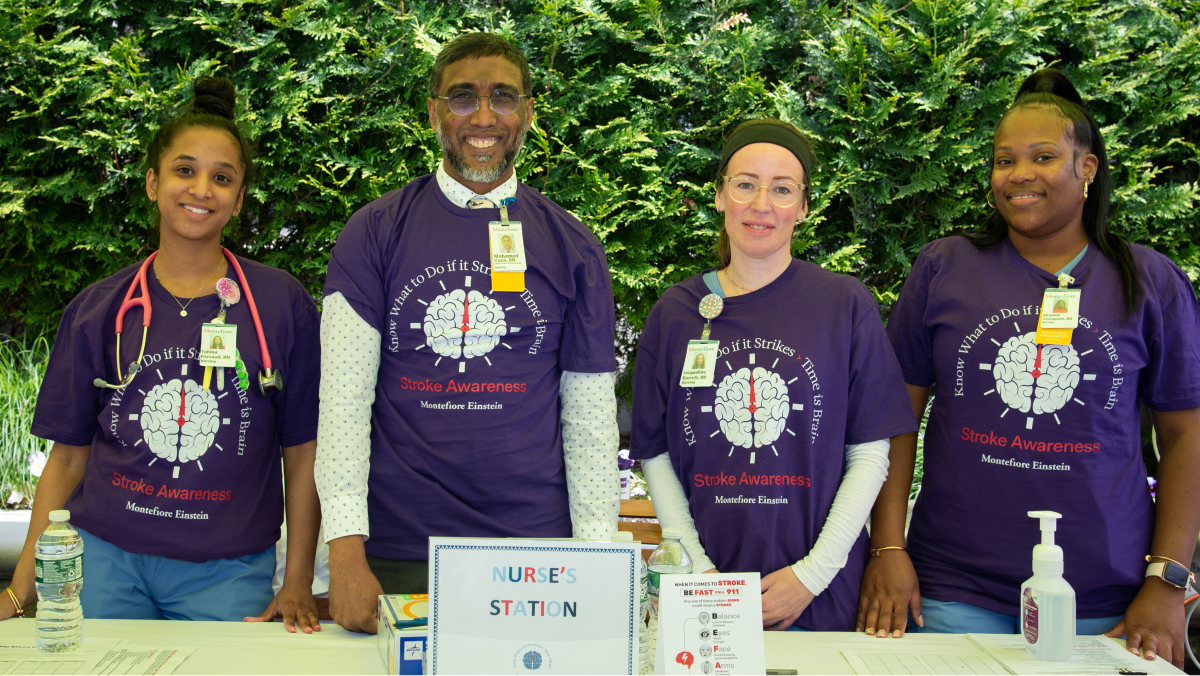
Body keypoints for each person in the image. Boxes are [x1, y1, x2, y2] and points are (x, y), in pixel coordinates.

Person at [859, 69, 1200, 669]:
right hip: (951, 590)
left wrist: (1167, 583)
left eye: (1043, 157)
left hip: (1110, 599)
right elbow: (895, 421)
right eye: (1003, 159)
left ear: (1087, 168)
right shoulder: (946, 267)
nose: (1018, 174)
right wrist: (886, 546)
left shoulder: (1148, 282)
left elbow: (1186, 437)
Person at [317, 32, 620, 633]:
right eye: (462, 97)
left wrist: (596, 559)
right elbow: (343, 403)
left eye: (503, 97)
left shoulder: (574, 246)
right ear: (433, 112)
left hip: (536, 558)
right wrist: (345, 553)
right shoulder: (374, 232)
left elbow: (589, 416)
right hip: (400, 556)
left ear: (528, 112)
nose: (484, 116)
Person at [3, 77, 324, 632]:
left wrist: (296, 579)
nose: (201, 189)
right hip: (104, 559)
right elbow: (68, 458)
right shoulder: (100, 309)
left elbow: (303, 453)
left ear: (239, 198)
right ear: (153, 183)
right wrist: (21, 585)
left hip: (226, 572)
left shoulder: (280, 305)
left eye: (222, 178)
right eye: (184, 170)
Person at [629, 119, 918, 631]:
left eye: (782, 189)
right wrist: (700, 572)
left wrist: (811, 576)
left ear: (803, 207)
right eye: (745, 184)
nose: (762, 204)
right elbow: (655, 453)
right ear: (719, 196)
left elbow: (872, 453)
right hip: (705, 597)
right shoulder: (675, 313)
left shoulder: (843, 304)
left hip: (820, 598)